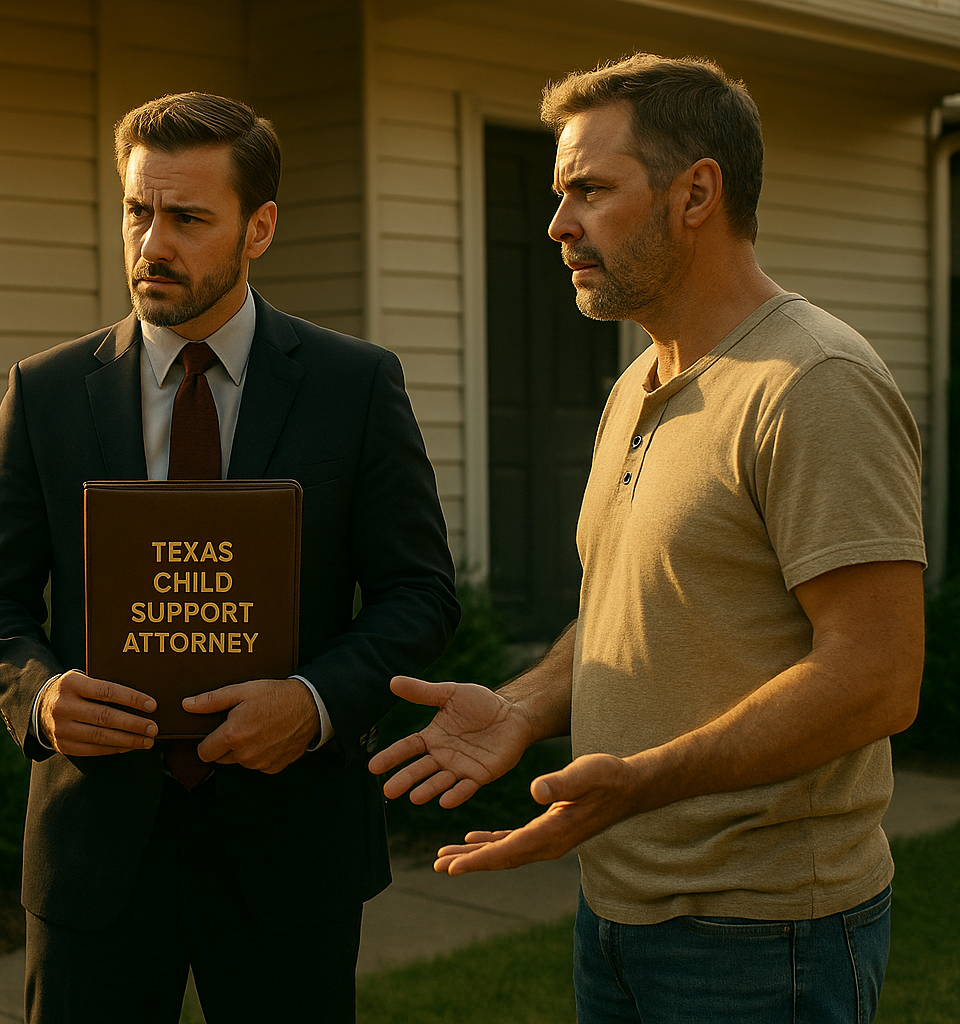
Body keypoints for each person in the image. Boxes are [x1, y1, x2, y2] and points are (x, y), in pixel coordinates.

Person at [370, 54, 926, 1023]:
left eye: (589, 189)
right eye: (559, 194)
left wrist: (640, 782)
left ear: (696, 192)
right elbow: (644, 611)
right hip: (616, 915)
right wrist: (524, 703)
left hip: (762, 940)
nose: (558, 225)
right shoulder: (636, 383)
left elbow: (878, 674)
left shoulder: (813, 383)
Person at [0, 92, 458, 1023]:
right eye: (139, 212)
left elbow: (418, 595)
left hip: (289, 848)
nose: (152, 244)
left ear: (259, 226)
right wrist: (44, 696)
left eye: (187, 218)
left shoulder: (354, 386)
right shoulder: (49, 391)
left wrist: (312, 705)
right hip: (95, 846)